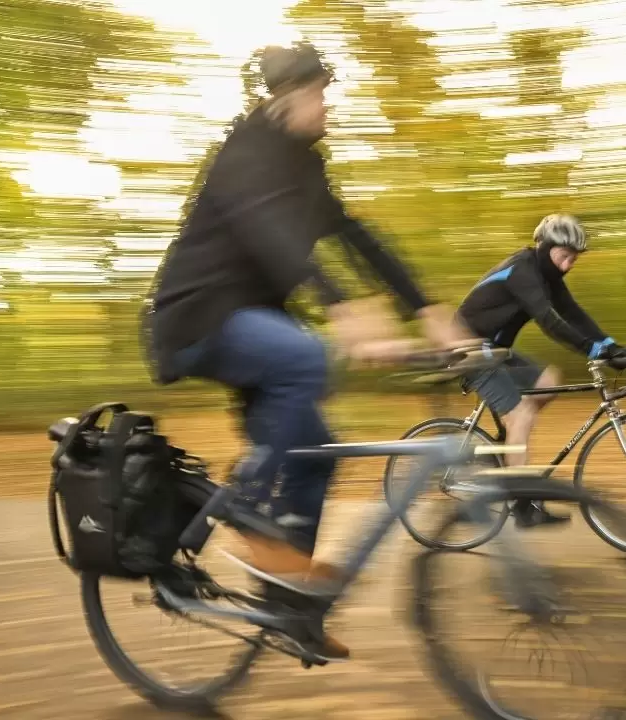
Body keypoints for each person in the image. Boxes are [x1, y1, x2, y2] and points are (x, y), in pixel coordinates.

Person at [143, 41, 469, 659]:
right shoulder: (244, 152)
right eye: (319, 93)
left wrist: (426, 308)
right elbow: (269, 234)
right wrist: (341, 308)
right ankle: (255, 534)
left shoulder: (303, 167)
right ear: (286, 95)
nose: (327, 106)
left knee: (315, 454)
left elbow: (355, 236)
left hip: (253, 324)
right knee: (307, 356)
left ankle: (289, 609)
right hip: (196, 322)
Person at [456, 213, 626, 528]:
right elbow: (550, 321)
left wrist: (612, 346)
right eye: (564, 256)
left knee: (549, 380)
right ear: (546, 247)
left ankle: (500, 453)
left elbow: (572, 313)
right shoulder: (522, 271)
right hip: (466, 349)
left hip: (496, 352)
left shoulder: (548, 276)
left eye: (573, 261)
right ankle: (523, 508)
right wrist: (594, 351)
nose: (567, 265)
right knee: (522, 415)